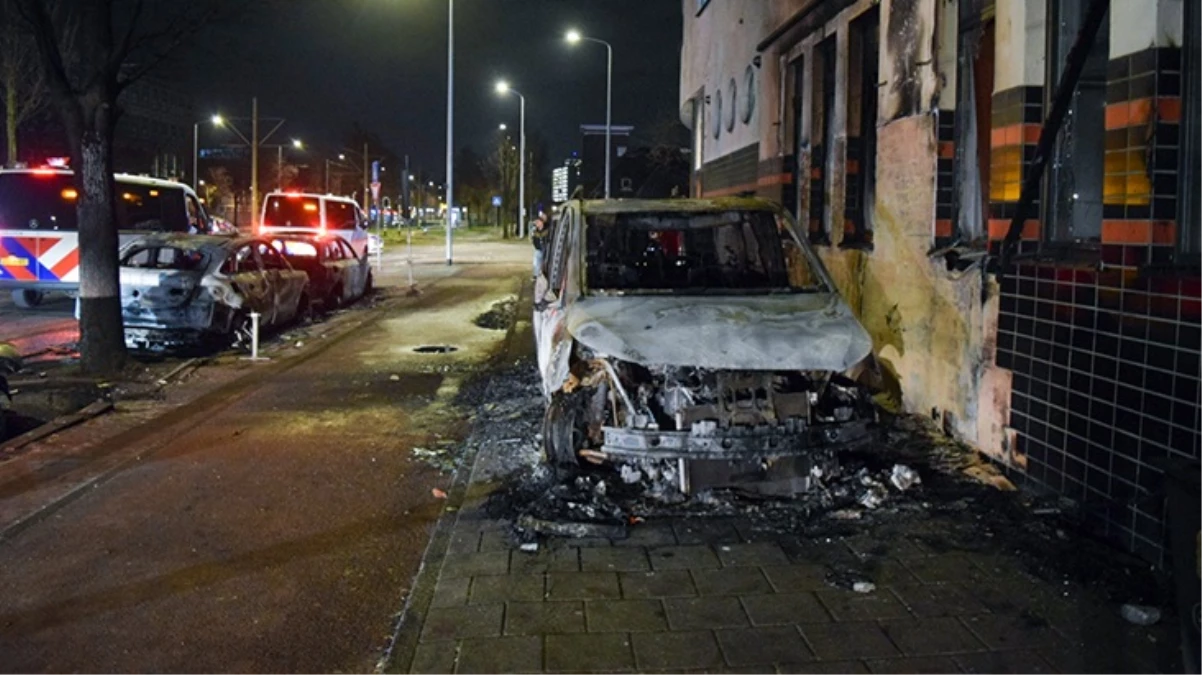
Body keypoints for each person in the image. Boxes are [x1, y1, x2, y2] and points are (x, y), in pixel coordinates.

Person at [531, 212, 549, 279]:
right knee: (536, 262)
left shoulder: (547, 230)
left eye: (538, 222)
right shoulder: (535, 231)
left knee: (544, 262)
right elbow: (534, 240)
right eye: (536, 223)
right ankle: (536, 275)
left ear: (542, 222)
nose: (537, 224)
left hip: (546, 249)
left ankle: (544, 275)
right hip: (539, 249)